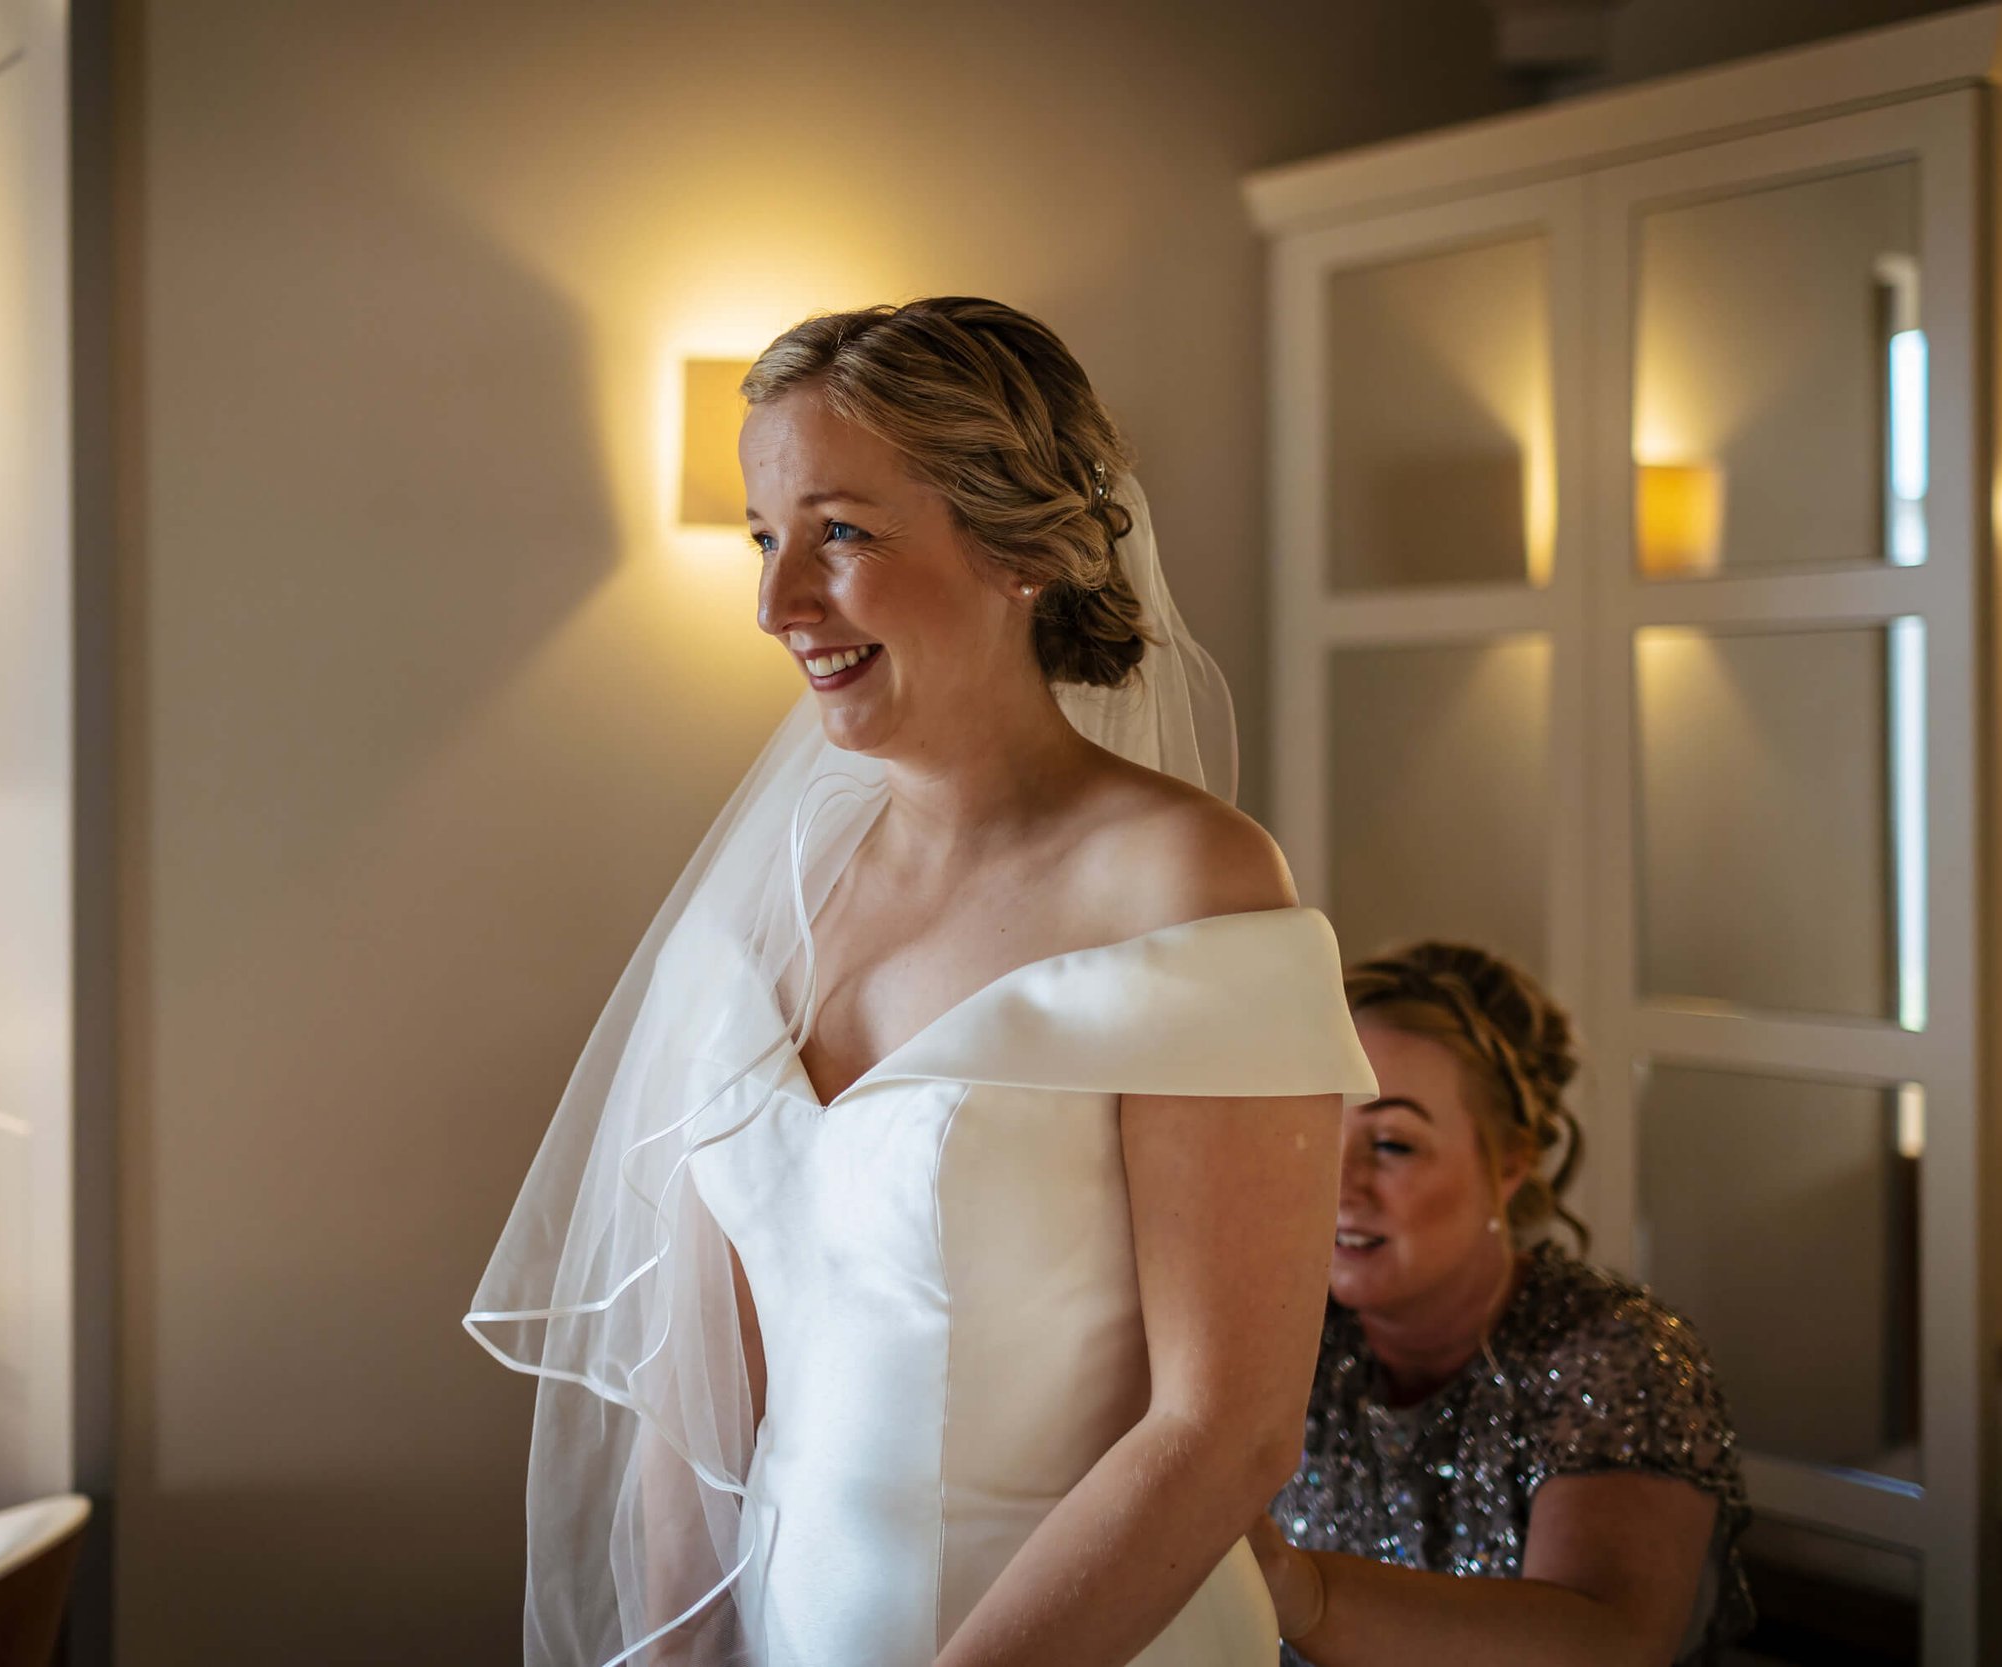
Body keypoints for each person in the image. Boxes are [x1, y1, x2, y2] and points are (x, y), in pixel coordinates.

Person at [466, 297, 1378, 1666]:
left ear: (1019, 546)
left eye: (840, 533)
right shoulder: (766, 897)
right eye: (766, 539)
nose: (778, 604)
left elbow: (1225, 1430)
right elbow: (698, 1392)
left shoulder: (1184, 881)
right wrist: (680, 1651)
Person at [1243, 942, 1753, 1667]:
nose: (1339, 1183)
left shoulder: (1614, 1354)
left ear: (1511, 1160)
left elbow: (1612, 1644)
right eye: (1320, 1129)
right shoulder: (1291, 1330)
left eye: (1392, 1143)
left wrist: (1304, 1592)